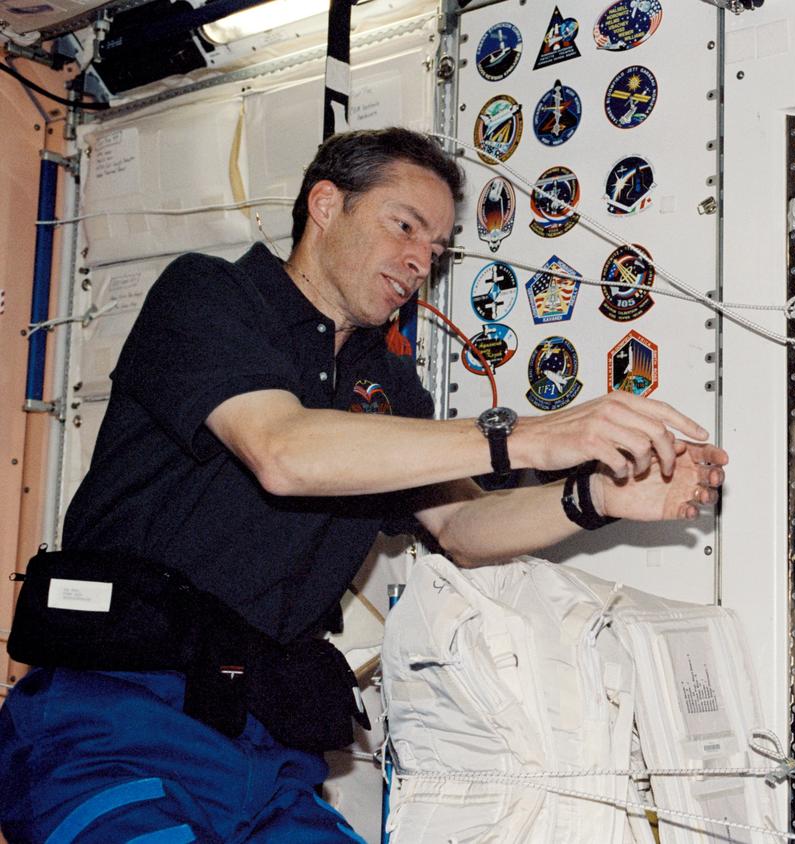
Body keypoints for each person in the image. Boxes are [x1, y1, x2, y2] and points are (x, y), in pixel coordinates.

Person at [0, 127, 727, 842]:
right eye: (405, 226)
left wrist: (596, 499)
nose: (420, 262)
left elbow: (462, 531)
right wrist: (531, 434)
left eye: (436, 251)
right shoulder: (210, 297)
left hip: (263, 751)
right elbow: (283, 452)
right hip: (119, 721)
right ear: (325, 205)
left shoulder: (385, 385)